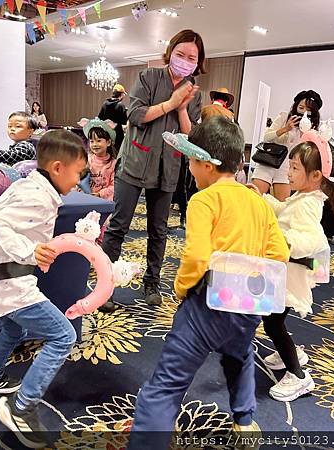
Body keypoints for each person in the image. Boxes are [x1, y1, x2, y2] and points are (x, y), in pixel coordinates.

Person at [127, 116, 290, 450]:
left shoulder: (203, 200)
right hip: (248, 304)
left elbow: (198, 257)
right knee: (240, 356)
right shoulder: (258, 202)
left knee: (167, 384)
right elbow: (280, 253)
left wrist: (182, 289)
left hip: (207, 305)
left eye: (190, 161)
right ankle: (244, 422)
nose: (189, 167)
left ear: (205, 163)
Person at [0, 130, 87, 449]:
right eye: (78, 173)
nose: (79, 182)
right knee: (64, 335)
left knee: (12, 327)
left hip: (5, 277)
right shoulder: (34, 195)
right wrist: (29, 251)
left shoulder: (33, 187)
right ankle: (22, 407)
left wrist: (34, 251)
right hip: (9, 282)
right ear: (58, 168)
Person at [100, 29, 204, 312]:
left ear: (198, 62)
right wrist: (169, 104)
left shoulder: (195, 93)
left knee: (158, 229)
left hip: (167, 166)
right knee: (119, 225)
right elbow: (136, 115)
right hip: (136, 160)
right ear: (170, 53)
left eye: (191, 57)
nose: (184, 60)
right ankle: (105, 285)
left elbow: (191, 135)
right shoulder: (149, 78)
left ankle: (152, 282)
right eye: (180, 54)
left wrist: (181, 109)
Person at [261, 130, 334, 402]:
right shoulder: (302, 197)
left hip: (291, 271)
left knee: (273, 322)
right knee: (275, 319)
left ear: (315, 176)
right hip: (287, 270)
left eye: (295, 168)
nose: (289, 173)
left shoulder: (309, 204)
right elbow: (284, 211)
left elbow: (312, 238)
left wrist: (286, 241)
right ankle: (292, 353)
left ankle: (298, 376)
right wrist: (263, 199)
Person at [251, 90, 323, 200]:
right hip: (268, 161)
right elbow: (266, 137)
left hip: (287, 168)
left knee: (282, 205)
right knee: (254, 199)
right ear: (296, 106)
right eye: (301, 107)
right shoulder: (284, 117)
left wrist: (307, 133)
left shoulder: (312, 127)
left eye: (308, 110)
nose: (304, 112)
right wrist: (286, 128)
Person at [81, 118, 117, 243]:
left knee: (100, 232)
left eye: (98, 140)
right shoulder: (87, 159)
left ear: (108, 142)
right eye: (91, 141)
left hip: (103, 204)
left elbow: (114, 186)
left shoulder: (113, 164)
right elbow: (79, 178)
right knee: (84, 230)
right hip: (86, 201)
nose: (94, 144)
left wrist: (100, 194)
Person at [98, 83, 128, 151]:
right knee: (117, 153)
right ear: (121, 94)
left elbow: (100, 118)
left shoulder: (105, 104)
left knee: (107, 152)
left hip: (106, 132)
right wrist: (125, 111)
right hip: (117, 134)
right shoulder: (121, 105)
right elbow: (124, 122)